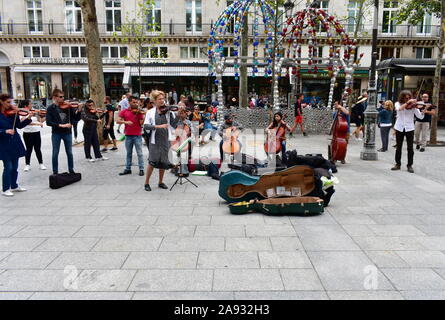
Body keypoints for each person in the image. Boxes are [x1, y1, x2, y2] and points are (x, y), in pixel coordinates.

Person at [143, 90, 177, 191]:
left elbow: (174, 125)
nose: (162, 101)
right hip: (155, 140)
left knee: (163, 161)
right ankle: (146, 183)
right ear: (154, 101)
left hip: (165, 139)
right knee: (152, 162)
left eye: (163, 99)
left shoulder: (168, 111)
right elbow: (146, 126)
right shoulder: (150, 112)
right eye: (160, 99)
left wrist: (180, 115)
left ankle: (160, 182)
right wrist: (159, 126)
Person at [0, 94, 32, 197]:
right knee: (8, 167)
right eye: (8, 102)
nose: (11, 105)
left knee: (15, 166)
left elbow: (19, 125)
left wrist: (28, 118)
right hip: (3, 144)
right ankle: (5, 188)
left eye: (11, 102)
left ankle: (14, 185)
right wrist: (5, 131)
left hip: (14, 142)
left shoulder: (13, 113)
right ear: (1, 102)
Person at [46, 89, 82, 175]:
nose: (63, 99)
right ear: (55, 97)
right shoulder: (51, 108)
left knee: (69, 152)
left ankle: (71, 169)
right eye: (61, 97)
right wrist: (61, 125)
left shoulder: (68, 107)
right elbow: (48, 122)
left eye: (63, 97)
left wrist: (79, 110)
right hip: (56, 133)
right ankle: (55, 172)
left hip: (67, 133)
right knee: (55, 152)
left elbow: (76, 118)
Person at [392, 90, 424, 173]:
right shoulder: (397, 103)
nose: (408, 99)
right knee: (398, 147)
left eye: (409, 97)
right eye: (406, 97)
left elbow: (420, 117)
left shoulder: (413, 106)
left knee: (410, 148)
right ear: (402, 97)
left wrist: (424, 110)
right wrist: (407, 103)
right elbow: (399, 109)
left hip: (409, 128)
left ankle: (410, 165)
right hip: (399, 127)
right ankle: (397, 164)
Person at [117, 96, 145, 176]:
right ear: (129, 102)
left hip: (137, 135)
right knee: (128, 153)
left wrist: (142, 116)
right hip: (128, 135)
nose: (136, 104)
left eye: (136, 102)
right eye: (134, 102)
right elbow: (118, 121)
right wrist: (126, 122)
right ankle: (128, 169)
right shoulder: (124, 111)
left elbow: (141, 123)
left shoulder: (139, 112)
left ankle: (141, 169)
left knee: (139, 153)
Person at [19, 99, 47, 172]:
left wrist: (46, 117)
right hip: (27, 133)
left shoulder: (34, 111)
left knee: (38, 149)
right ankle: (27, 164)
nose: (32, 105)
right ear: (26, 105)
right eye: (30, 104)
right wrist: (36, 123)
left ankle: (41, 163)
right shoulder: (22, 112)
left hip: (36, 132)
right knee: (29, 149)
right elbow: (24, 121)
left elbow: (40, 120)